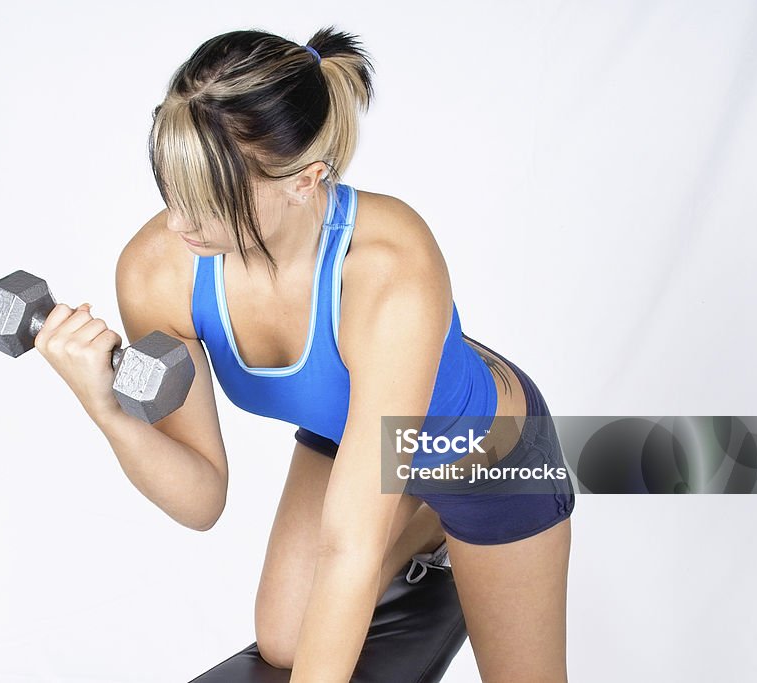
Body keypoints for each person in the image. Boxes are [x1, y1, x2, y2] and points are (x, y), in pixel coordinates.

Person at [34, 27, 576, 683]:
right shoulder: (158, 271)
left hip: (485, 452)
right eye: (170, 188)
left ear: (306, 181)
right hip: (349, 431)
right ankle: (421, 520)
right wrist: (109, 409)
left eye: (208, 199)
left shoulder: (387, 265)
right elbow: (201, 497)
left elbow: (349, 543)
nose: (177, 224)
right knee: (287, 640)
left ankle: (437, 518)